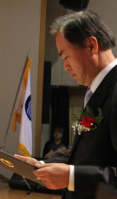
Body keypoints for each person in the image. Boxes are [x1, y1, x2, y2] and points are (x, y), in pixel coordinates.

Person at [15, 10, 117, 199]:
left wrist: (71, 177)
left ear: (91, 45)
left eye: (66, 57)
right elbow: (90, 155)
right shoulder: (97, 91)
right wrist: (43, 166)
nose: (65, 66)